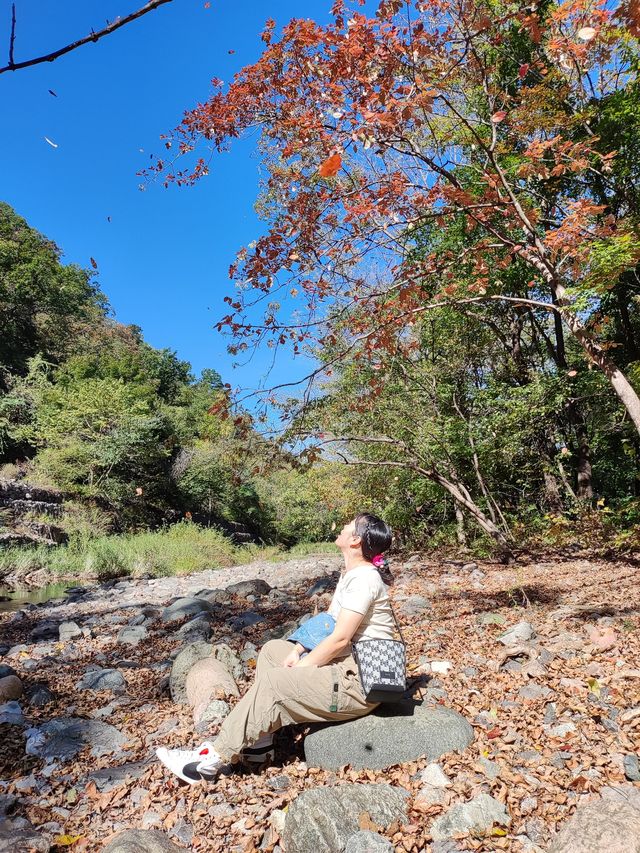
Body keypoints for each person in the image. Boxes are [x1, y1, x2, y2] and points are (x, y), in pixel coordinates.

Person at [155, 512, 395, 784]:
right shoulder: (352, 574)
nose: (342, 525)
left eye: (349, 525)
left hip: (361, 682)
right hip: (348, 666)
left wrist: (303, 668)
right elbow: (329, 623)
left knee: (275, 682)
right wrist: (298, 650)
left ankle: (209, 760)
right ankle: (260, 748)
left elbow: (340, 639)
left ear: (355, 540)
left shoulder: (364, 579)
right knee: (272, 651)